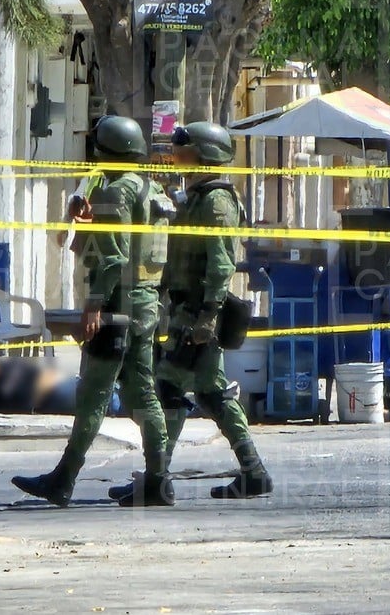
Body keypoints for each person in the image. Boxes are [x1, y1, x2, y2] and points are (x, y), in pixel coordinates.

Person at [12, 115, 175, 507]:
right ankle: (158, 480)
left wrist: (93, 306)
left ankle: (63, 479)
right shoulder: (149, 188)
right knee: (143, 393)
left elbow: (114, 258)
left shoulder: (115, 192)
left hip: (116, 307)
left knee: (93, 394)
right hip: (145, 305)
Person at [112, 122, 273, 501]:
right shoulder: (196, 198)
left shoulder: (217, 202)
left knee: (172, 389)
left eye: (184, 154)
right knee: (208, 393)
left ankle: (157, 480)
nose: (177, 160)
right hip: (186, 310)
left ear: (205, 156)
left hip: (200, 314)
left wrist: (208, 317)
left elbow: (221, 264)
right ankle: (250, 472)